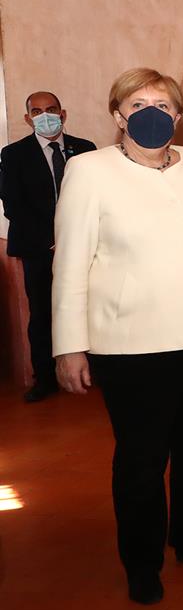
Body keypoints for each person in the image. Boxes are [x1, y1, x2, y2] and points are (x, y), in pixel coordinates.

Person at [52, 68, 183, 605]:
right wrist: (69, 345)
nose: (153, 112)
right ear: (118, 114)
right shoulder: (88, 170)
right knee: (142, 459)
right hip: (131, 343)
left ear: (179, 116)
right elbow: (71, 265)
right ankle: (141, 563)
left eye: (164, 104)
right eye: (139, 102)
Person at [0, 92, 96, 402]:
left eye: (51, 109)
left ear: (63, 114)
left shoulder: (85, 150)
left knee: (88, 308)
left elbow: (96, 200)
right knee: (42, 312)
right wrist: (53, 241)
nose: (46, 116)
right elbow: (14, 205)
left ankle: (93, 371)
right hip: (38, 248)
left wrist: (75, 240)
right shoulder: (13, 154)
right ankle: (44, 378)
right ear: (28, 119)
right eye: (37, 111)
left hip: (83, 248)